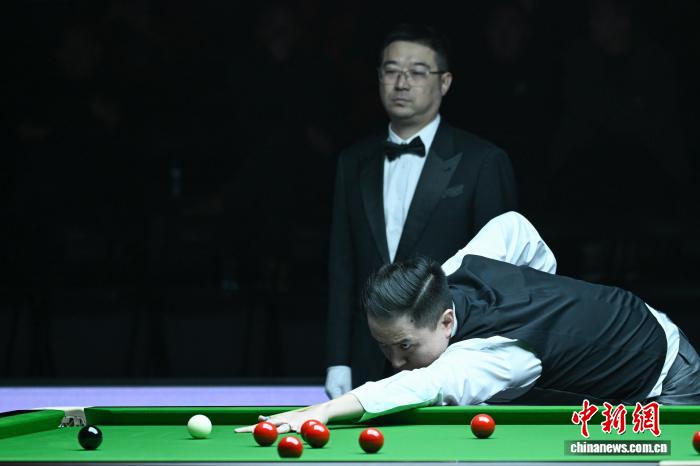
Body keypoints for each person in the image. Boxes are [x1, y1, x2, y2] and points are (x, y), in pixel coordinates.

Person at [238, 212, 700, 434]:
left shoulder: (493, 356)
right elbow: (515, 227)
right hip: (635, 332)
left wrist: (318, 412)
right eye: (385, 347)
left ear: (446, 321)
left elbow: (417, 387)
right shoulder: (454, 272)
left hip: (664, 382)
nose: (396, 361)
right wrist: (544, 291)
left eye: (405, 345)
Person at [325, 24, 517, 398]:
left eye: (416, 72)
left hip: (450, 356)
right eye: (392, 71)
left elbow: (499, 274)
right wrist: (337, 359)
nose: (401, 83)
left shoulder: (482, 161)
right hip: (369, 354)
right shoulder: (354, 161)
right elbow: (342, 267)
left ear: (444, 82)